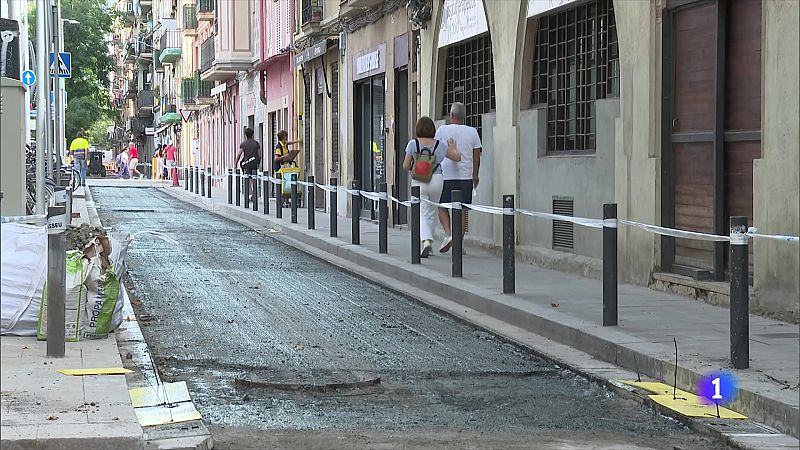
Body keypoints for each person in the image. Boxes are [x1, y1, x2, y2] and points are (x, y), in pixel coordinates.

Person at [402, 117, 461, 257]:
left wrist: (417, 167)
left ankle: (426, 241)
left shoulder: (413, 144)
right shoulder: (439, 145)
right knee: (433, 212)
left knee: (422, 212)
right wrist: (452, 148)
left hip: (419, 181)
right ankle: (428, 241)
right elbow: (457, 157)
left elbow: (405, 165)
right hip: (437, 179)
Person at [434, 102, 482, 253]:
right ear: (464, 116)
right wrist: (475, 175)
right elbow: (477, 156)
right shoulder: (473, 132)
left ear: (451, 115)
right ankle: (458, 244)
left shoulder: (442, 130)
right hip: (466, 178)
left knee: (442, 207)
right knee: (462, 210)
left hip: (447, 177)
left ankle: (449, 234)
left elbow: (435, 150)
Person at [235, 127, 261, 202]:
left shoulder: (243, 144)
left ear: (245, 135)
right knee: (253, 178)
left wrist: (235, 163)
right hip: (254, 163)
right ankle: (254, 194)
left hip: (246, 164)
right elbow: (259, 154)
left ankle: (248, 194)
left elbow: (239, 154)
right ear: (252, 135)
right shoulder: (256, 143)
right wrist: (258, 162)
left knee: (247, 179)